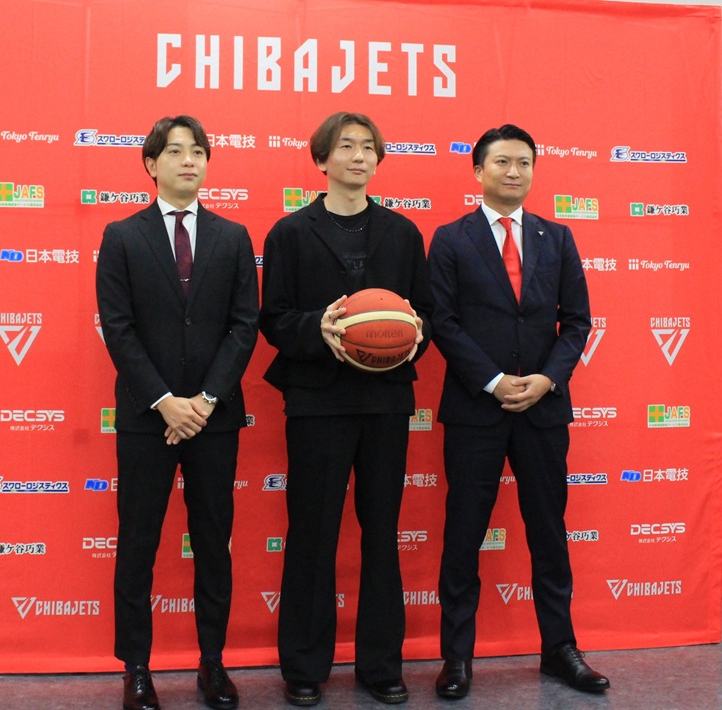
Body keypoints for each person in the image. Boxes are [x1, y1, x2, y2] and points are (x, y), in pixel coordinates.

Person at [426, 124, 609, 699]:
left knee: (549, 532)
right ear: (478, 170)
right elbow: (443, 322)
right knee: (464, 534)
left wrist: (547, 379)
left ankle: (560, 649)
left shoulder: (558, 237)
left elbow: (576, 322)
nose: (514, 171)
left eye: (524, 162)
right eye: (502, 161)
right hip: (475, 410)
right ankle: (457, 656)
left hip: (543, 409)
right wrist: (493, 380)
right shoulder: (450, 239)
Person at [259, 111, 433, 706]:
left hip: (386, 402)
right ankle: (304, 667)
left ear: (378, 159)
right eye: (346, 146)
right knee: (312, 533)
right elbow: (274, 318)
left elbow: (424, 316)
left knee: (382, 532)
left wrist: (409, 337)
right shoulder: (289, 233)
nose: (359, 156)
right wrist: (320, 329)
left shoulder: (403, 233)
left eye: (368, 147)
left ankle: (381, 665)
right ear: (321, 159)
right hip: (317, 401)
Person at [96, 115, 259, 710]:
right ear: (151, 164)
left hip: (215, 417)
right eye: (175, 151)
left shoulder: (233, 236)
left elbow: (244, 325)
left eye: (198, 152)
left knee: (213, 541)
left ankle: (212, 663)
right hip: (148, 418)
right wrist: (166, 402)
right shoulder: (122, 236)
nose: (189, 161)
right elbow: (118, 328)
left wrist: (206, 400)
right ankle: (136, 668)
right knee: (138, 542)